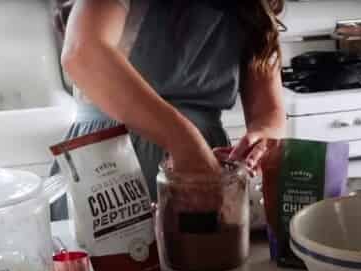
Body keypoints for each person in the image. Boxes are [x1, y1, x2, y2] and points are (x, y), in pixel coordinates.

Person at [52, 0, 286, 208]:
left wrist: (262, 139)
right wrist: (185, 143)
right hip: (105, 169)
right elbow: (82, 53)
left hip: (203, 170)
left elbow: (268, 111)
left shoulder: (254, 8)